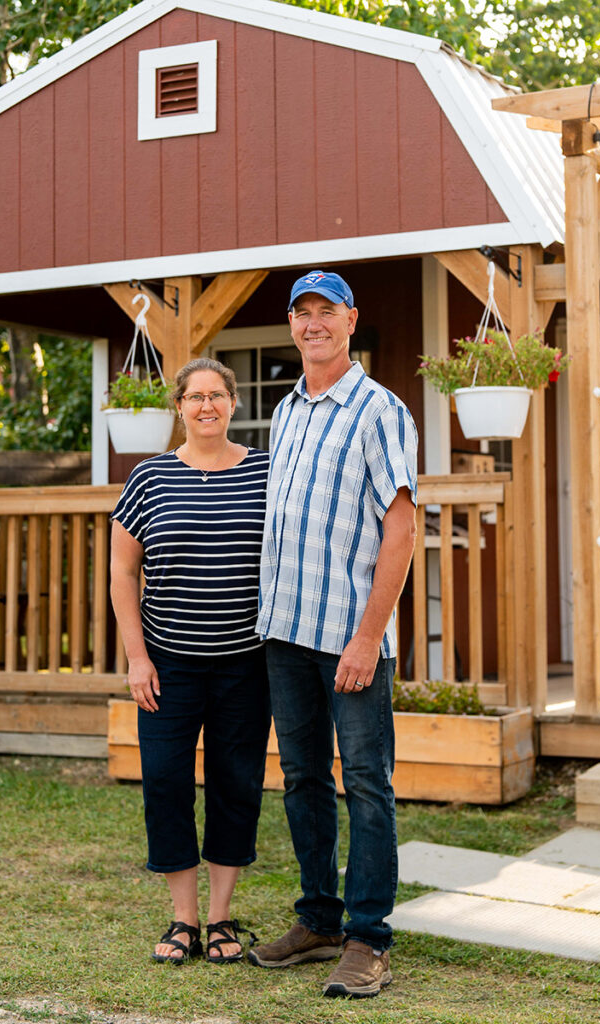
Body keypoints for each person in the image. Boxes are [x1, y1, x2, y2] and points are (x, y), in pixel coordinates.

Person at [249, 270, 418, 998]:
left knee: (368, 787)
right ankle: (318, 919)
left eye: (326, 311)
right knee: (303, 780)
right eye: (301, 312)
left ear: (351, 320)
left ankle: (368, 938)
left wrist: (365, 636)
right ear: (292, 325)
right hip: (284, 632)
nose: (312, 323)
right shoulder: (286, 410)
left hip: (346, 636)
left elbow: (401, 528)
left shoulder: (380, 410)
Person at [110, 357, 271, 965]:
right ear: (179, 407)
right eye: (195, 397)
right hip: (167, 666)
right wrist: (136, 658)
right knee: (168, 784)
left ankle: (223, 917)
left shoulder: (262, 472)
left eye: (217, 396)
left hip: (245, 664)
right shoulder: (149, 478)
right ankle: (183, 919)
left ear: (233, 403)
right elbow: (124, 571)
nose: (207, 406)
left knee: (236, 785)